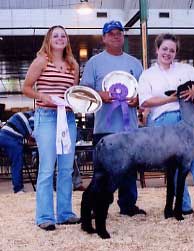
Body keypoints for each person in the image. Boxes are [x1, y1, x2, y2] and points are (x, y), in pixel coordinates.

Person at [138, 33, 194, 225]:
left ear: (176, 53)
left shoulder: (185, 69)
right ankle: (182, 205)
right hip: (164, 121)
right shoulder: (147, 74)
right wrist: (172, 98)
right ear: (157, 50)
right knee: (174, 168)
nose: (168, 53)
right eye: (164, 49)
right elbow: (145, 101)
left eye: (172, 50)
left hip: (190, 119)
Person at [80, 20, 146, 216]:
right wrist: (102, 94)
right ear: (104, 38)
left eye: (120, 33)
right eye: (112, 33)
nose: (116, 36)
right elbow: (85, 91)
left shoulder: (135, 63)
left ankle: (128, 205)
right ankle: (97, 206)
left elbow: (144, 91)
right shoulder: (94, 62)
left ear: (123, 37)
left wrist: (137, 100)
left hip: (130, 128)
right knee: (103, 170)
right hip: (104, 127)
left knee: (129, 169)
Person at [22, 25, 80, 231]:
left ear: (67, 40)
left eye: (63, 36)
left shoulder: (73, 64)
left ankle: (65, 213)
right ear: (49, 39)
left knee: (66, 167)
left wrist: (79, 103)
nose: (59, 38)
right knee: (47, 168)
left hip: (68, 117)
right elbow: (26, 88)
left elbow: (73, 92)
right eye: (55, 35)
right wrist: (43, 97)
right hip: (46, 117)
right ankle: (45, 216)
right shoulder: (41, 61)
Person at [0, 111, 34, 193]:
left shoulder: (21, 114)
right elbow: (32, 135)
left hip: (2, 134)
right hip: (13, 139)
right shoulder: (34, 117)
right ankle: (18, 189)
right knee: (17, 164)